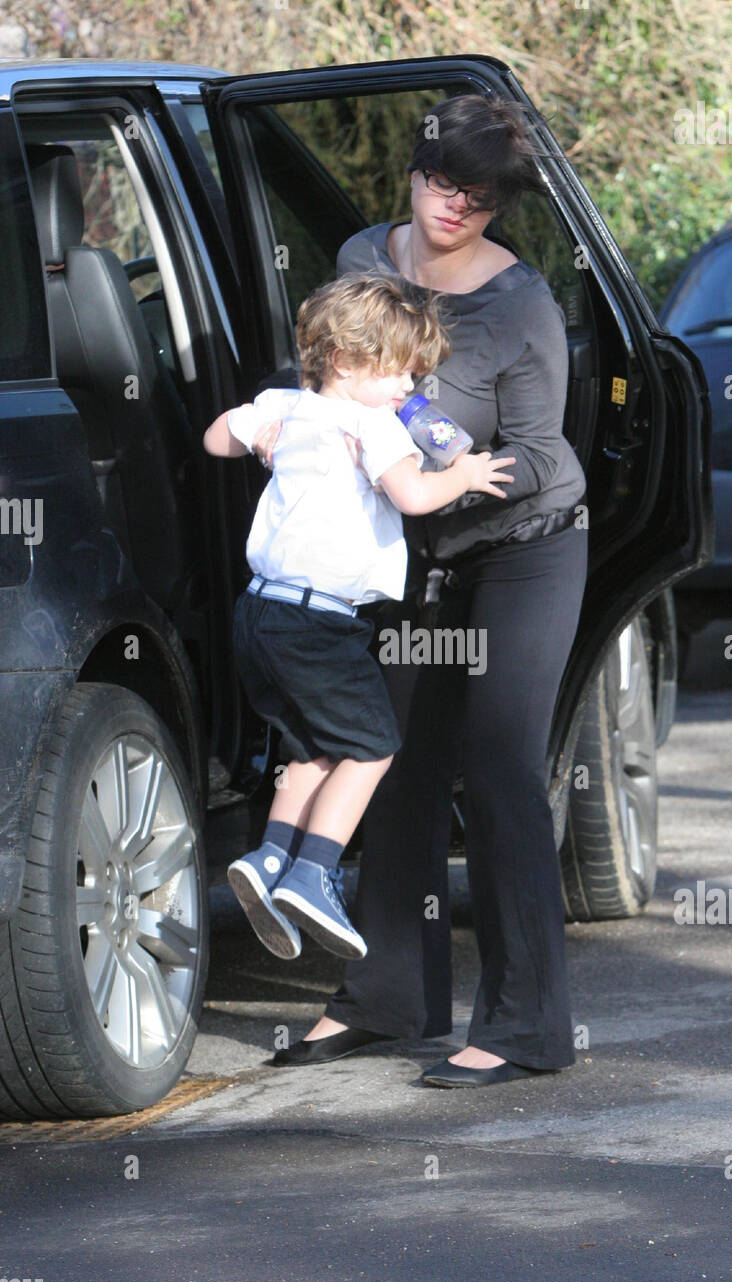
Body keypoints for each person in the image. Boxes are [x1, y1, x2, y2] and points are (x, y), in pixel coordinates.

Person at [259, 93, 590, 1088]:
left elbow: (538, 455)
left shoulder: (518, 303)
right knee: (391, 763)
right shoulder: (363, 256)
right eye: (444, 184)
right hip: (413, 553)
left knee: (495, 770)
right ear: (413, 172)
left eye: (481, 197)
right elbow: (333, 372)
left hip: (521, 548)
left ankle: (528, 1023)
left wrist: (454, 472)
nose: (457, 207)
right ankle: (389, 994)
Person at [202, 272, 514, 965]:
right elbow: (413, 495)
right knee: (372, 748)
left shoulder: (285, 404)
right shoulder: (371, 424)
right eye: (399, 370)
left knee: (313, 749)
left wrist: (258, 435)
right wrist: (462, 477)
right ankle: (315, 875)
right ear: (345, 361)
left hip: (260, 615)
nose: (409, 387)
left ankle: (269, 860)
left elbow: (214, 439)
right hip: (321, 623)